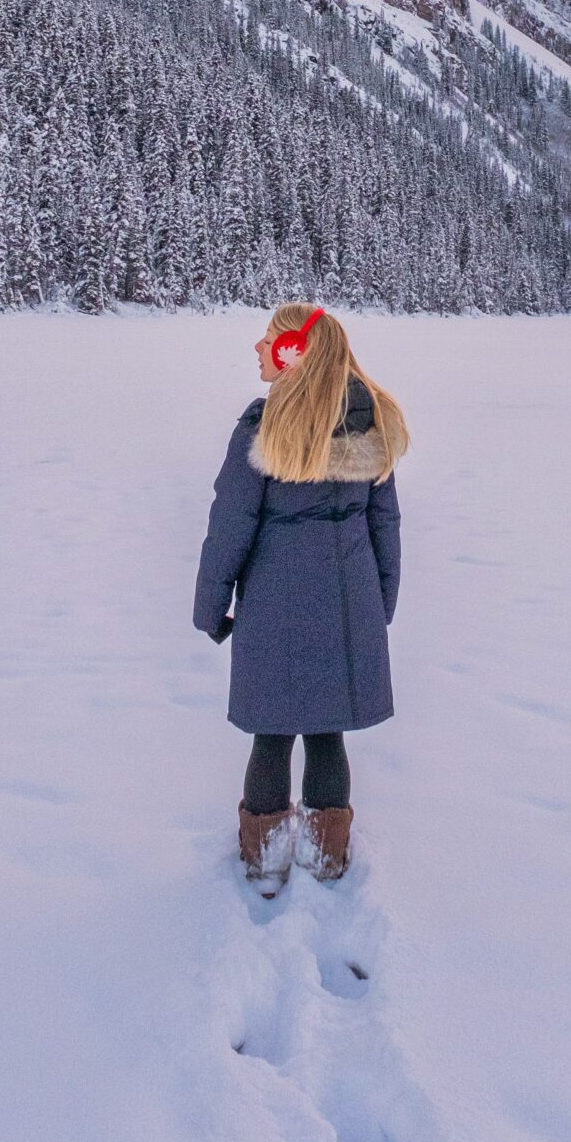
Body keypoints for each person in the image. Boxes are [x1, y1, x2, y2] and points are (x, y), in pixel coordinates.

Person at [193, 304, 408, 889]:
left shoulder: (265, 430)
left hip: (272, 607)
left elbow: (229, 526)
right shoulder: (371, 424)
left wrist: (210, 608)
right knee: (326, 732)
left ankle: (264, 864)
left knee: (273, 731)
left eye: (269, 340)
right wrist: (378, 606)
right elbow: (384, 527)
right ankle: (326, 859)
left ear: (295, 354)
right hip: (347, 606)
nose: (258, 349)